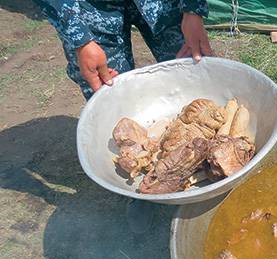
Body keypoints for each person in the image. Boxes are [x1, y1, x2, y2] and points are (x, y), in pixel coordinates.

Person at [34, 0, 214, 232]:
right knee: (109, 97)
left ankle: (211, 177)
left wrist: (193, 10)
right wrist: (79, 38)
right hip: (91, 9)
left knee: (194, 74)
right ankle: (142, 191)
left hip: (161, 5)